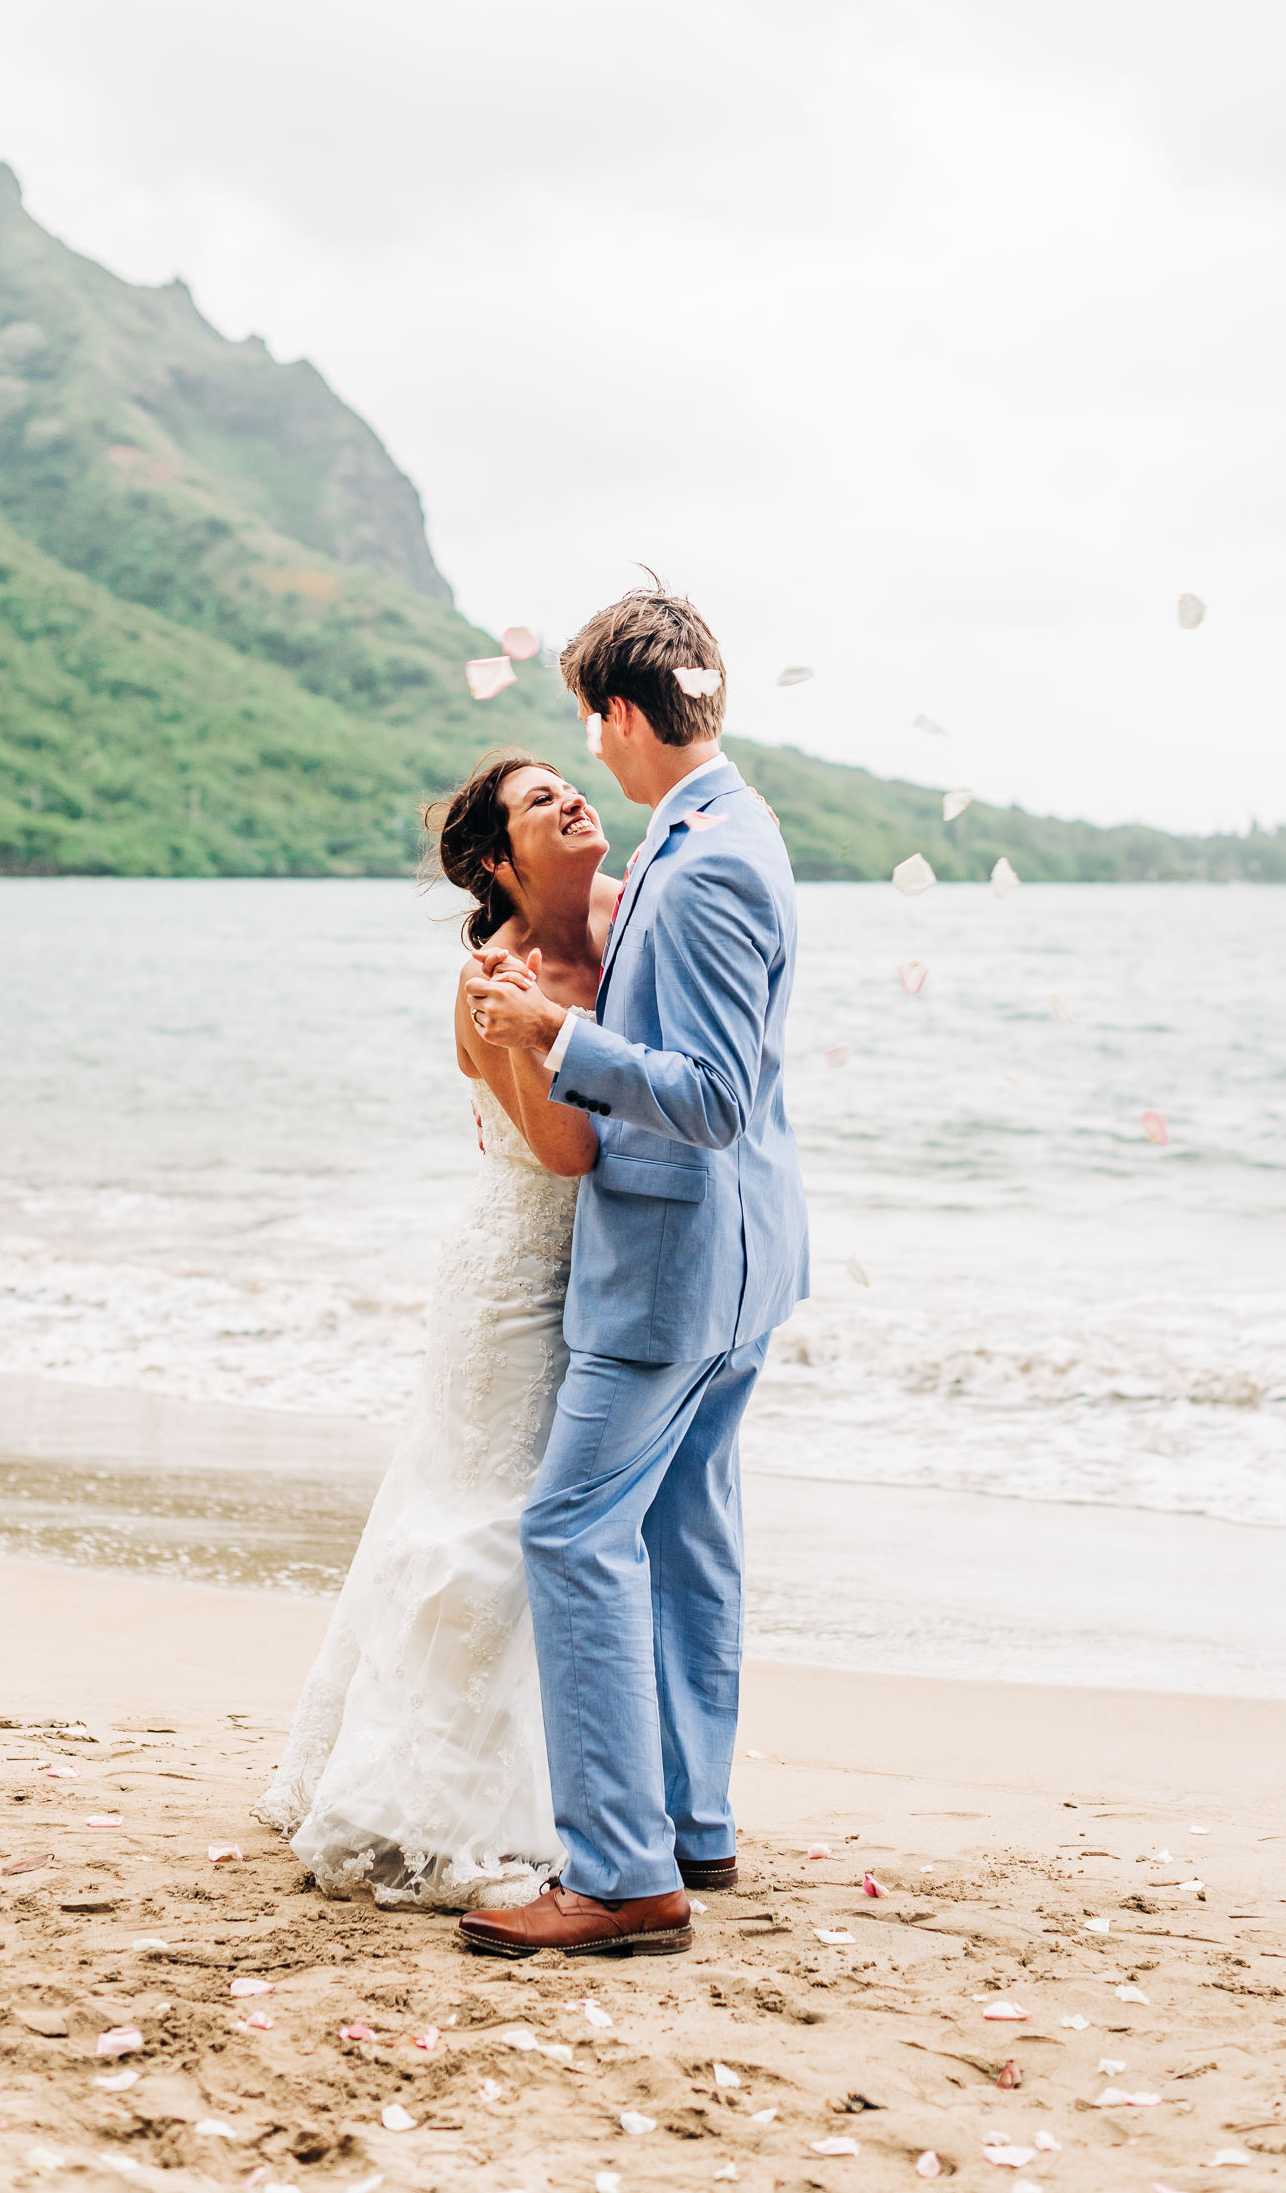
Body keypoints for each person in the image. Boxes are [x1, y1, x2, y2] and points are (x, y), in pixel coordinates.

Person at [456, 582, 809, 1960]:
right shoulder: (718, 824)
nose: (590, 757)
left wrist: (557, 1033)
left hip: (675, 1267)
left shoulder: (710, 857)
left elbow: (713, 1096)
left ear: (616, 715)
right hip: (738, 1265)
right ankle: (695, 1823)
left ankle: (618, 1873)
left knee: (571, 1530)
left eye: (588, 728)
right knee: (686, 1532)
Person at [254, 753, 617, 1909]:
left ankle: (566, 1788)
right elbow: (567, 1151)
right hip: (515, 1275)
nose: (570, 799)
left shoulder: (627, 918)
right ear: (503, 862)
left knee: (531, 1518)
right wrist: (559, 1028)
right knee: (487, 1522)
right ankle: (428, 1801)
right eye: (537, 801)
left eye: (571, 781)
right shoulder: (492, 978)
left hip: (597, 1275)